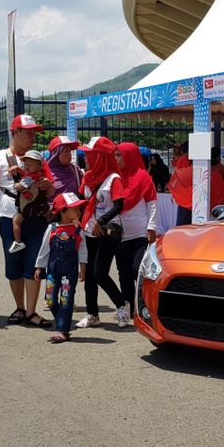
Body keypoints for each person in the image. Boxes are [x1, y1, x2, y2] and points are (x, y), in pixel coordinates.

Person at [0, 114, 55, 328]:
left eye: (34, 133)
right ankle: (19, 307)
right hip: (9, 217)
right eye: (28, 133)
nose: (32, 136)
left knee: (34, 262)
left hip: (36, 218)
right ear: (15, 132)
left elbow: (52, 190)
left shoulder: (39, 159)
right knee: (14, 262)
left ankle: (31, 311)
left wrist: (48, 186)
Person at [75, 136, 126, 328]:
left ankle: (121, 307)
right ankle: (92, 314)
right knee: (89, 275)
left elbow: (120, 205)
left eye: (90, 154)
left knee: (100, 273)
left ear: (100, 157)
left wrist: (101, 221)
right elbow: (82, 200)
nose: (86, 158)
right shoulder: (87, 177)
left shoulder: (114, 178)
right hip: (89, 230)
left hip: (109, 231)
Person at [34, 192, 88, 343]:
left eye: (79, 208)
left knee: (66, 299)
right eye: (75, 208)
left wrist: (82, 268)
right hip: (52, 270)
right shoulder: (52, 228)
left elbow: (83, 250)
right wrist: (39, 267)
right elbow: (44, 249)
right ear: (63, 210)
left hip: (69, 272)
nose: (78, 212)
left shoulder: (78, 230)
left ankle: (62, 330)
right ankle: (62, 322)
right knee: (50, 299)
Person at [115, 142, 157, 322]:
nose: (116, 159)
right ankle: (130, 307)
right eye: (115, 155)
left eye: (119, 155)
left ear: (130, 156)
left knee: (136, 269)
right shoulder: (115, 177)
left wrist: (152, 227)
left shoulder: (143, 177)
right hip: (118, 234)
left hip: (139, 232)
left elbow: (152, 203)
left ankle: (144, 303)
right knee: (122, 272)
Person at [9, 150, 50, 254]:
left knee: (16, 221)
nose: (27, 167)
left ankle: (18, 242)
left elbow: (20, 186)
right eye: (25, 164)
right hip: (40, 207)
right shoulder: (39, 176)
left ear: (40, 166)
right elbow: (25, 175)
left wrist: (14, 185)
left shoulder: (31, 177)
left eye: (31, 165)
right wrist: (19, 169)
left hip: (28, 209)